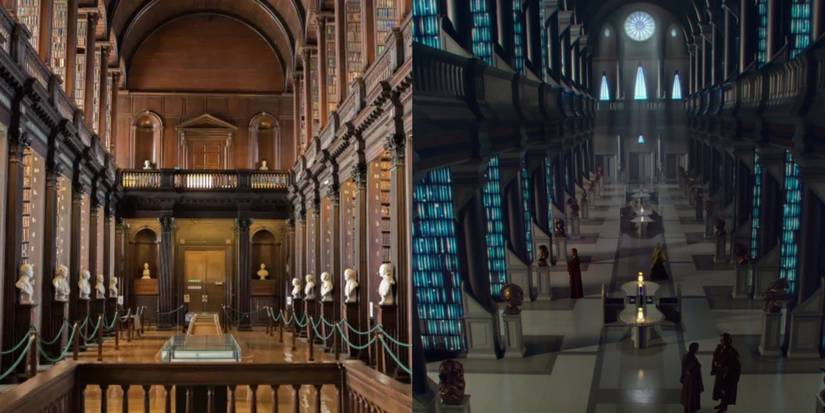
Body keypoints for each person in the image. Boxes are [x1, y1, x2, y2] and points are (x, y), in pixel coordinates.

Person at [711, 333, 741, 412]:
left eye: (723, 340)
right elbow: (716, 356)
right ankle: (721, 404)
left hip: (727, 375)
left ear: (727, 341)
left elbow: (736, 365)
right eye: (721, 340)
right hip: (720, 373)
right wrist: (715, 362)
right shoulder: (719, 347)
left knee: (725, 391)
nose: (721, 341)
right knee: (720, 390)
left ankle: (723, 407)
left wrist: (728, 371)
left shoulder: (732, 352)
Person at [681, 342, 704, 413]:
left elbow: (684, 369)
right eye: (697, 348)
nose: (697, 349)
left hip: (687, 382)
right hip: (692, 384)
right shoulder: (692, 359)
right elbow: (695, 373)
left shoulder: (686, 357)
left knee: (687, 400)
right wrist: (700, 385)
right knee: (691, 400)